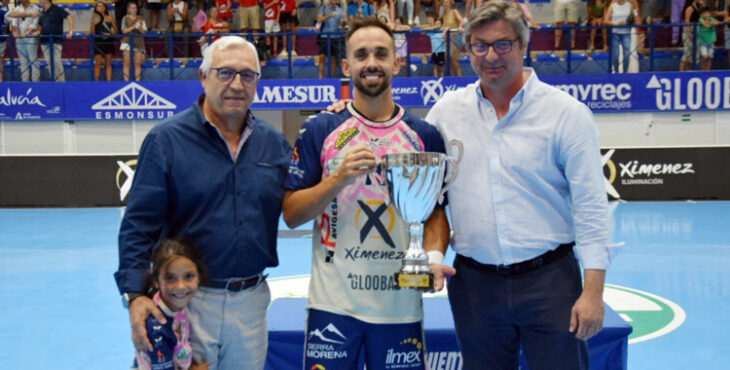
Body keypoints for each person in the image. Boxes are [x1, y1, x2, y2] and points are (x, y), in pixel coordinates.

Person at [425, 1, 611, 369]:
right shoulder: (446, 113)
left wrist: (593, 292)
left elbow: (591, 207)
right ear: (467, 51)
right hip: (475, 285)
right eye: (480, 45)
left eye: (503, 44)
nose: (491, 55)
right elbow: (422, 180)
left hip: (550, 283)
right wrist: (342, 114)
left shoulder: (566, 114)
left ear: (525, 46)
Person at [283, 17, 452, 370]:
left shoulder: (424, 136)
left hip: (400, 306)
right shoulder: (321, 129)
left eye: (381, 53)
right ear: (346, 66)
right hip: (333, 306)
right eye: (361, 55)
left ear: (397, 62)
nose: (371, 63)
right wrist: (338, 179)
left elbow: (435, 212)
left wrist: (433, 258)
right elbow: (292, 215)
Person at [116, 35, 291, 370]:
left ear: (258, 81)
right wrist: (136, 295)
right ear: (203, 76)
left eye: (247, 75)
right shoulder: (166, 140)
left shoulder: (274, 144)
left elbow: (302, 197)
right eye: (225, 73)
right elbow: (138, 226)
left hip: (252, 303)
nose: (237, 84)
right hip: (187, 301)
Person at [132, 238, 209, 370]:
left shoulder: (176, 306)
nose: (180, 286)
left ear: (199, 276)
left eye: (189, 276)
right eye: (170, 278)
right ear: (156, 280)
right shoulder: (157, 326)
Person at [7, 0, 41, 82]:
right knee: (22, 61)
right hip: (19, 38)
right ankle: (25, 81)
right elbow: (14, 22)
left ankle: (36, 81)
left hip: (30, 37)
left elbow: (35, 24)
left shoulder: (35, 8)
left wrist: (26, 33)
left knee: (33, 60)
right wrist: (15, 32)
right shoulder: (17, 8)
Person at [604, 0, 637, 72]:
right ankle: (616, 71)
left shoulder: (630, 5)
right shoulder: (612, 6)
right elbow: (606, 20)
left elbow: (634, 18)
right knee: (615, 55)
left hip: (626, 33)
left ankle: (625, 72)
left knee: (627, 54)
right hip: (615, 33)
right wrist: (615, 24)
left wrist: (631, 21)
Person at [90, 0, 117, 81]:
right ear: (96, 8)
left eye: (102, 6)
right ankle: (96, 83)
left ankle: (109, 83)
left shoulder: (110, 18)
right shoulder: (93, 19)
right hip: (98, 42)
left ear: (105, 8)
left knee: (108, 63)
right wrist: (93, 24)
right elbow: (92, 32)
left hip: (108, 42)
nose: (101, 8)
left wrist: (109, 34)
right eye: (98, 6)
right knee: (98, 63)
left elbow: (116, 30)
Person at [317, 0, 345, 78]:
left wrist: (343, 22)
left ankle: (331, 79)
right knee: (322, 58)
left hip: (335, 37)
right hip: (324, 36)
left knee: (333, 59)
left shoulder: (340, 10)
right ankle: (321, 79)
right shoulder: (324, 8)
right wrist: (330, 16)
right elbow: (319, 19)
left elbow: (343, 24)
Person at [121, 1, 147, 81]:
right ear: (129, 9)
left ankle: (138, 81)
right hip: (127, 41)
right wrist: (133, 27)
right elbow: (123, 30)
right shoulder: (125, 18)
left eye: (135, 8)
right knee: (127, 63)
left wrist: (140, 28)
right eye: (132, 8)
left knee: (138, 63)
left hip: (139, 42)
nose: (134, 10)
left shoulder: (141, 19)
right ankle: (126, 81)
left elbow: (144, 32)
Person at [679, 0, 703, 71]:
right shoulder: (690, 8)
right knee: (687, 53)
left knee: (694, 53)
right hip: (689, 31)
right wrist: (690, 33)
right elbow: (687, 21)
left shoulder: (699, 7)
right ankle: (681, 72)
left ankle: (690, 71)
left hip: (698, 30)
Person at [441, 0, 464, 76]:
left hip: (454, 39)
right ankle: (453, 78)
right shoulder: (443, 15)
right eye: (444, 2)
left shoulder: (454, 11)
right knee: (448, 61)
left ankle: (460, 78)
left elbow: (461, 21)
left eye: (447, 2)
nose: (445, 4)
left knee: (453, 58)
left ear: (451, 3)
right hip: (446, 40)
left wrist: (460, 27)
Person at [696, 6, 717, 70]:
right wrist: (710, 22)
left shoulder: (712, 18)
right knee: (704, 57)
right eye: (704, 13)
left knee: (709, 57)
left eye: (707, 13)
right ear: (701, 14)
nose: (706, 14)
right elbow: (706, 25)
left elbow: (717, 22)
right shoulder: (700, 19)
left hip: (711, 42)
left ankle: (708, 71)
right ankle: (702, 70)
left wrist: (710, 22)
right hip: (703, 42)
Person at [0, 0, 10, 82]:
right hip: (1, 38)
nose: (10, 1)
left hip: (2, 39)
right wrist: (30, 14)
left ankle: (0, 79)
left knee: (0, 60)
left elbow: (7, 24)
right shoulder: (3, 10)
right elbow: (11, 15)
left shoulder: (5, 9)